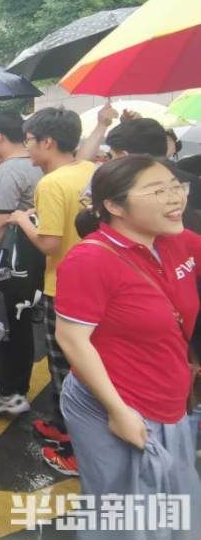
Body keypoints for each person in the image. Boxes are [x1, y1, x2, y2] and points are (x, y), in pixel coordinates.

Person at [55, 156, 201, 532]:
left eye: (175, 186)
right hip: (114, 403)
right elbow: (72, 339)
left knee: (172, 501)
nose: (174, 198)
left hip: (170, 397)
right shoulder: (90, 258)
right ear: (115, 206)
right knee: (123, 513)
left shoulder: (176, 241)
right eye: (157, 190)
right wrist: (117, 410)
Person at [6, 107, 97, 475]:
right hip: (94, 286)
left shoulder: (52, 184)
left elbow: (48, 244)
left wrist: (21, 220)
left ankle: (78, 450)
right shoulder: (90, 170)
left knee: (68, 370)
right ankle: (63, 426)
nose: (27, 148)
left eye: (29, 141)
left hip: (65, 289)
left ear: (48, 142)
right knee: (83, 368)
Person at [0, 113, 44, 417]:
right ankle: (17, 390)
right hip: (29, 256)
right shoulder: (39, 166)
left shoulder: (9, 172)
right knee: (19, 322)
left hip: (3, 255)